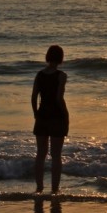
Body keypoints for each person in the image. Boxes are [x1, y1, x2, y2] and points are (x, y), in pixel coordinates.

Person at [31, 44, 69, 194]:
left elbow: (34, 97)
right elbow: (59, 98)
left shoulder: (39, 75)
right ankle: (54, 189)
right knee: (56, 155)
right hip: (57, 116)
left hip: (42, 116)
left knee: (40, 154)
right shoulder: (61, 75)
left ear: (47, 56)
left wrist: (35, 113)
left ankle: (39, 187)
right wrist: (66, 115)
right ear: (60, 58)